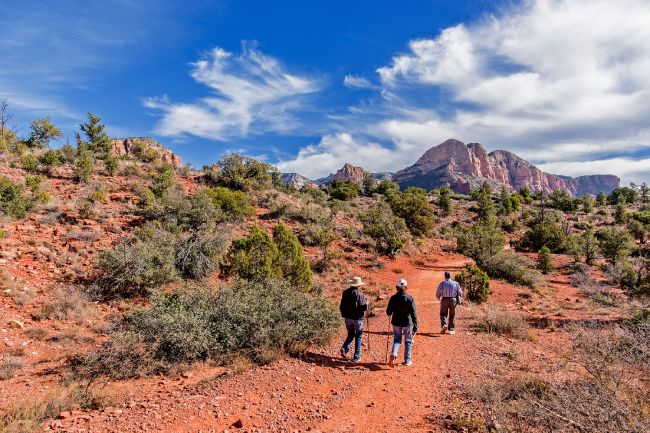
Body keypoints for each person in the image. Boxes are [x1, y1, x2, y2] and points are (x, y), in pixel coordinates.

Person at [386, 278, 418, 367]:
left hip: (396, 322)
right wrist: (415, 324)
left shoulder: (393, 298)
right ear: (406, 287)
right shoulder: (410, 298)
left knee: (397, 340)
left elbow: (388, 312)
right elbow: (413, 313)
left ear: (397, 287)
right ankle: (407, 360)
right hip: (407, 323)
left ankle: (394, 353)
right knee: (408, 341)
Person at [339, 276, 368, 362]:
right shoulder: (360, 294)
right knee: (358, 336)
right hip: (358, 319)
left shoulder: (345, 293)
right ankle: (356, 357)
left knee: (351, 334)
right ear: (358, 285)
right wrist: (367, 303)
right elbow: (363, 308)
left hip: (347, 318)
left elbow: (341, 306)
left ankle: (345, 347)